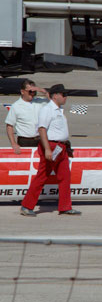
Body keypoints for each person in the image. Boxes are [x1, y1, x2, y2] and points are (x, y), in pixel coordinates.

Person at [20, 84, 81, 217]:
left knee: (65, 177)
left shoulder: (59, 109)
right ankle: (26, 206)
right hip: (52, 146)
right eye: (63, 95)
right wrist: (47, 149)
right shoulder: (47, 110)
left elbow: (58, 130)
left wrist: (67, 146)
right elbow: (42, 129)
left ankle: (65, 207)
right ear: (55, 96)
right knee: (42, 176)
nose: (66, 97)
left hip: (61, 147)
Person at [5, 79, 48, 153]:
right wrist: (13, 143)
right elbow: (9, 126)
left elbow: (54, 100)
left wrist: (41, 90)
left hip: (40, 139)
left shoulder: (39, 101)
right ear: (22, 91)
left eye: (34, 92)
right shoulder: (16, 106)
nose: (32, 94)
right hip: (25, 141)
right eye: (30, 91)